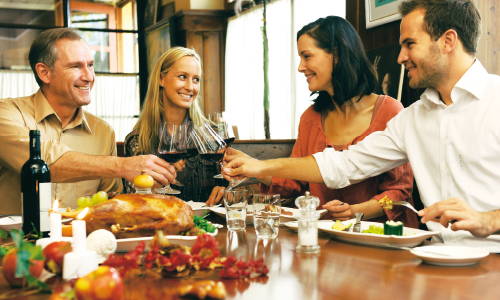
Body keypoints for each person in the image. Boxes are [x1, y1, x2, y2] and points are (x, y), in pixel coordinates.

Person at [224, 0, 500, 251]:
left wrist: (488, 220)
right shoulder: (411, 119)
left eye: (409, 44)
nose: (400, 57)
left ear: (448, 41)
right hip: (437, 257)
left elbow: (397, 193)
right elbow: (343, 165)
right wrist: (260, 166)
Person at [217, 16, 417, 227]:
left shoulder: (390, 111)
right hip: (324, 236)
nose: (301, 67)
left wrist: (355, 212)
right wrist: (251, 166)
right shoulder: (310, 118)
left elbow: (399, 191)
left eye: (307, 56)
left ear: (337, 55)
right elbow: (293, 183)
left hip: (380, 237)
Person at [0, 28, 176, 215]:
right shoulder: (8, 113)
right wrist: (123, 166)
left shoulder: (103, 132)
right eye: (75, 66)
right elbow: (42, 163)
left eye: (90, 65)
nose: (89, 77)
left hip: (80, 242)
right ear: (44, 73)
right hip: (14, 242)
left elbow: (109, 202)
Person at [123, 47, 225, 203]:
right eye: (182, 77)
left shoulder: (212, 135)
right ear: (161, 79)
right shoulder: (137, 140)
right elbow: (133, 201)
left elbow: (228, 184)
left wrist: (228, 190)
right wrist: (157, 180)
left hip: (208, 225)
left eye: (196, 79)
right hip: (161, 225)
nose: (190, 87)